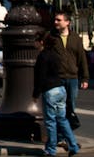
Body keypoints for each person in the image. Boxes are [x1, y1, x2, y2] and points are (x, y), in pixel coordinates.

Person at [34, 29, 80, 157]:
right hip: (60, 89)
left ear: (41, 42)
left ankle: (50, 149)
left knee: (50, 121)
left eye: (36, 42)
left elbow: (40, 77)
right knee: (62, 119)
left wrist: (35, 93)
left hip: (50, 90)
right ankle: (73, 145)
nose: (35, 44)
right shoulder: (55, 54)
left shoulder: (43, 56)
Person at [54, 12, 89, 129]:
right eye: (55, 20)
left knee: (70, 106)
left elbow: (82, 58)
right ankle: (61, 135)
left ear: (67, 22)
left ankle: (67, 134)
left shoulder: (76, 38)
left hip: (72, 78)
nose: (56, 22)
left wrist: (85, 78)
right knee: (58, 107)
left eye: (59, 20)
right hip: (57, 78)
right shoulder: (52, 37)